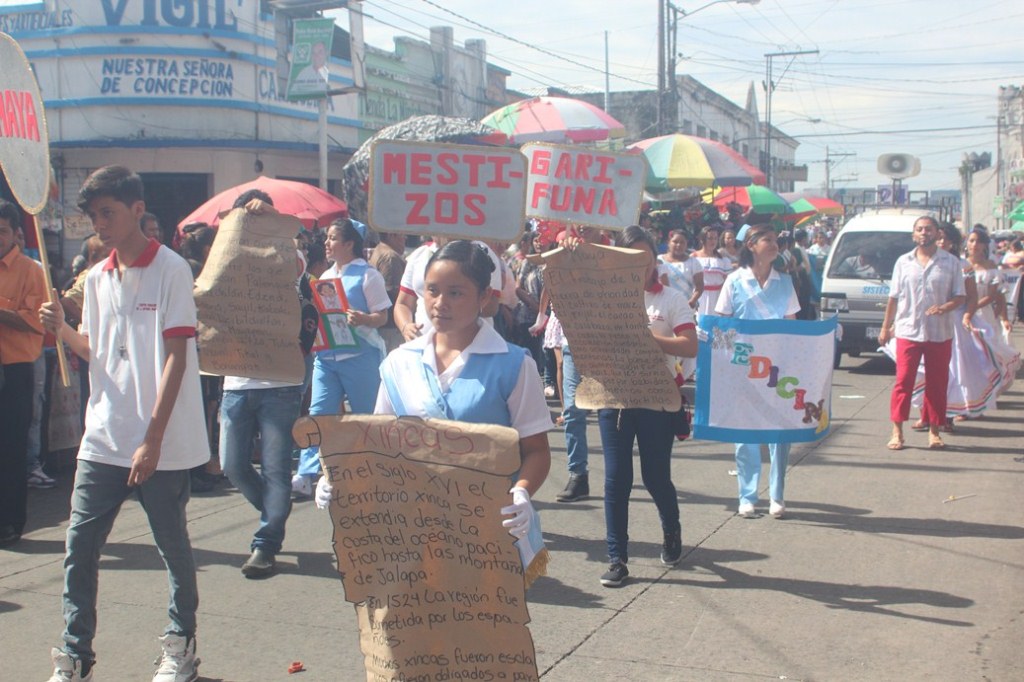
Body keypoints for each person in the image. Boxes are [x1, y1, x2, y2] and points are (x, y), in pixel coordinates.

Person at [39, 165, 208, 682]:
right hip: (103, 438)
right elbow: (96, 351)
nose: (100, 225)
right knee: (79, 549)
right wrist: (62, 329)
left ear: (137, 210)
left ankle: (180, 646)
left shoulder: (172, 269)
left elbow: (176, 358)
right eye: (93, 217)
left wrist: (152, 440)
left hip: (161, 441)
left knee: (172, 548)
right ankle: (75, 656)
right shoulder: (96, 277)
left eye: (107, 213)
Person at [315, 239, 552, 567]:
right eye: (432, 290)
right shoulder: (400, 363)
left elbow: (537, 450)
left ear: (484, 296)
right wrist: (340, 474)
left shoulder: (512, 365)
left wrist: (522, 493)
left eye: (455, 292)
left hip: (488, 532)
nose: (440, 303)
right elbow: (378, 440)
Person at [597, 226, 697, 588]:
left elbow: (689, 346)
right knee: (615, 480)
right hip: (615, 399)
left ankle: (671, 530)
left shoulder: (671, 300)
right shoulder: (604, 298)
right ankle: (617, 558)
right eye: (629, 259)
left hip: (658, 400)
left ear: (654, 261)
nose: (637, 266)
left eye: (644, 258)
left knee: (655, 478)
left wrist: (647, 338)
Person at [217, 197, 307, 579]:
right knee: (232, 465)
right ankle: (274, 511)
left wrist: (271, 220)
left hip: (279, 380)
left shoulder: (289, 255)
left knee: (274, 468)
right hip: (236, 379)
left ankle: (266, 543)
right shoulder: (228, 256)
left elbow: (295, 267)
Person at [293, 218, 390, 496]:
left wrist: (364, 319)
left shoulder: (368, 276)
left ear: (349, 244)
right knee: (319, 413)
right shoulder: (324, 278)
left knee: (366, 416)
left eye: (333, 238)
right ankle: (307, 472)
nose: (327, 243)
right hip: (327, 358)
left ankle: (373, 468)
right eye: (327, 238)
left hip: (360, 357)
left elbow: (382, 316)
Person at [714, 224, 800, 519]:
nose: (775, 245)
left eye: (776, 240)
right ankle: (747, 495)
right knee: (746, 433)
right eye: (768, 240)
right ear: (751, 245)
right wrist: (723, 363)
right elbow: (721, 322)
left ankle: (777, 495)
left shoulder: (785, 282)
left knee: (780, 433)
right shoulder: (734, 281)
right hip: (743, 367)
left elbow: (792, 325)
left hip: (776, 369)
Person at [878, 215, 966, 451]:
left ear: (938, 234)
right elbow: (893, 298)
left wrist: (944, 307)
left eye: (928, 229)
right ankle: (897, 431)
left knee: (937, 383)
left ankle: (934, 430)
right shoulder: (903, 262)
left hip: (939, 333)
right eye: (919, 229)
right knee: (903, 382)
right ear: (913, 235)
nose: (924, 233)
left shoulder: (950, 263)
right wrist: (886, 327)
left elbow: (960, 296)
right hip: (909, 330)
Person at [1, 199, 48, 547]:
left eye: (1, 232)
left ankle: (11, 521)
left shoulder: (32, 270)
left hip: (14, 370)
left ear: (15, 233)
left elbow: (34, 324)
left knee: (12, 448)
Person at [368, 231, 407, 353]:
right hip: (390, 327)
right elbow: (393, 293)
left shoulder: (379, 250)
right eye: (402, 235)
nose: (405, 239)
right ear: (392, 235)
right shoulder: (390, 257)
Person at [692, 226, 730, 319]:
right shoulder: (693, 258)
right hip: (699, 296)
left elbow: (728, 281)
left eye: (715, 238)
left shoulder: (723, 259)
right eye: (710, 238)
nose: (713, 241)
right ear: (702, 239)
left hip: (718, 296)